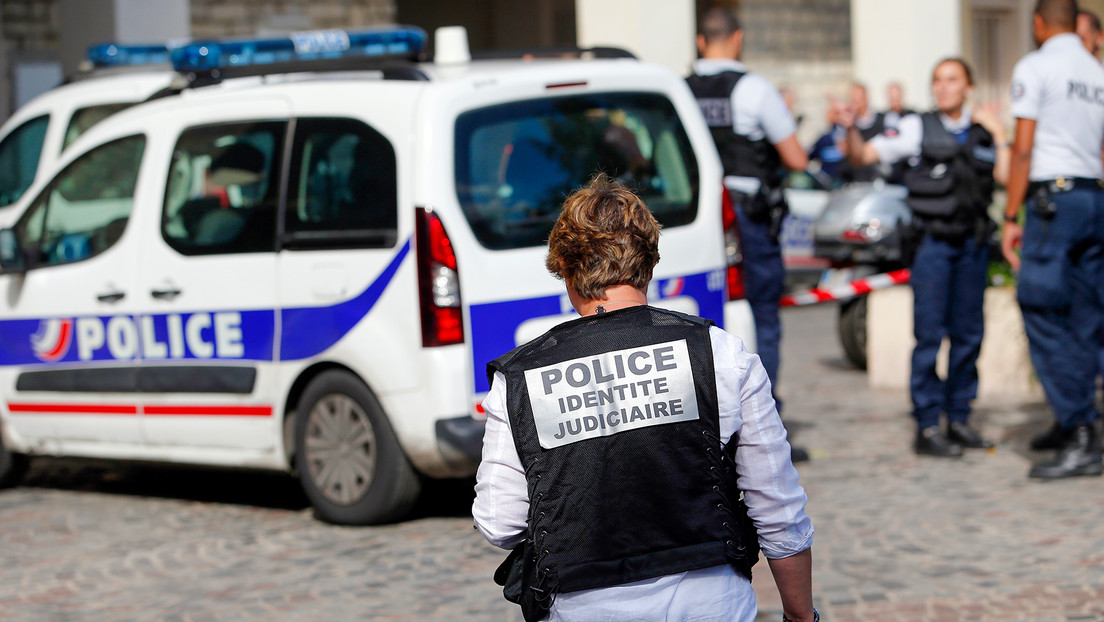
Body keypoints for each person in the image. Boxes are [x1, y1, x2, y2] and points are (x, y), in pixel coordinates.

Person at [472, 175, 816, 622]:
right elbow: (779, 510)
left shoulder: (521, 378)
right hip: (713, 606)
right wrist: (800, 616)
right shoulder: (720, 354)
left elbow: (499, 522)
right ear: (649, 263)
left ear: (566, 270)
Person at [842, 58, 1010, 457]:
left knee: (969, 335)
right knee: (930, 335)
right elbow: (863, 155)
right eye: (937, 80)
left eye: (952, 79)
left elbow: (1006, 176)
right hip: (932, 245)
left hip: (972, 245)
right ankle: (928, 424)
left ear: (968, 86)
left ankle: (960, 417)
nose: (943, 87)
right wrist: (849, 127)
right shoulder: (916, 127)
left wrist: (1000, 133)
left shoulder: (984, 130)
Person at [685, 6, 810, 462]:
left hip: (698, 221)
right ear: (737, 39)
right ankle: (762, 433)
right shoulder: (754, 89)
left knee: (702, 326)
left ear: (701, 42)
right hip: (747, 219)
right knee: (760, 321)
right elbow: (796, 159)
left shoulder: (681, 90)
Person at [1001, 0, 1104, 479]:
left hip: (1054, 202)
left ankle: (1079, 429)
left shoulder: (1036, 65)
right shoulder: (1095, 71)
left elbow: (1023, 149)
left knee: (1042, 308)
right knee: (1085, 315)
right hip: (1091, 198)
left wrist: (1010, 215)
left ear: (1039, 23)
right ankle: (1076, 423)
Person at [839, 82, 887, 183]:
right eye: (854, 99)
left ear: (866, 98)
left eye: (859, 98)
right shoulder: (845, 125)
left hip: (877, 178)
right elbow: (843, 150)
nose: (857, 103)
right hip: (855, 179)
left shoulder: (883, 120)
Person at [807, 97, 848, 186]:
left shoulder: (848, 136)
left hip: (844, 181)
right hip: (826, 182)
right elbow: (809, 156)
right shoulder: (824, 139)